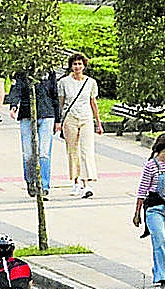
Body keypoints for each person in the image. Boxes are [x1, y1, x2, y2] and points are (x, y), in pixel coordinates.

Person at [132, 135, 165, 287]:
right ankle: (162, 277)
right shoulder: (151, 166)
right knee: (160, 242)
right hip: (154, 208)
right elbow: (142, 190)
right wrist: (137, 213)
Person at [5, 68, 59, 198]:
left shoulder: (49, 71)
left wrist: (58, 119)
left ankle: (43, 185)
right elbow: (17, 88)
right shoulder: (22, 70)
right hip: (26, 113)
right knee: (28, 153)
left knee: (44, 152)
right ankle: (31, 181)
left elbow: (54, 94)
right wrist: (13, 104)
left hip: (47, 113)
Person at [56, 52, 102, 199]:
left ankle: (86, 183)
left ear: (84, 66)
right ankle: (75, 182)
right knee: (72, 150)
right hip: (70, 118)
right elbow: (61, 102)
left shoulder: (91, 83)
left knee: (86, 150)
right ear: (71, 66)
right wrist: (59, 121)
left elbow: (93, 102)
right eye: (75, 64)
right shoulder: (63, 82)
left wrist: (98, 123)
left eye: (80, 64)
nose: (77, 67)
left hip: (86, 118)